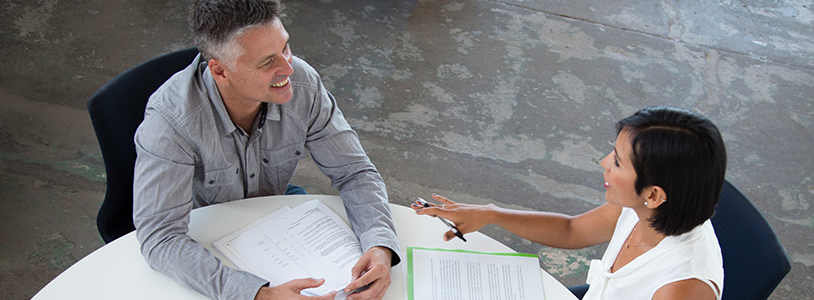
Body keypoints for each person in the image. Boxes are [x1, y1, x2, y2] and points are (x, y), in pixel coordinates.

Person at [131, 1, 400, 299]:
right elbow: (161, 237)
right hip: (204, 244)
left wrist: (380, 245)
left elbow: (355, 172)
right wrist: (259, 296)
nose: (288, 68)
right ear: (220, 71)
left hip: (278, 224)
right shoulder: (171, 122)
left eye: (285, 48)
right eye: (266, 62)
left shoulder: (304, 83)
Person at [412, 106, 727, 300]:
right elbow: (572, 230)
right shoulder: (643, 210)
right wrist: (491, 214)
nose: (603, 163)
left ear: (654, 194)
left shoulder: (684, 287)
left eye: (617, 162)